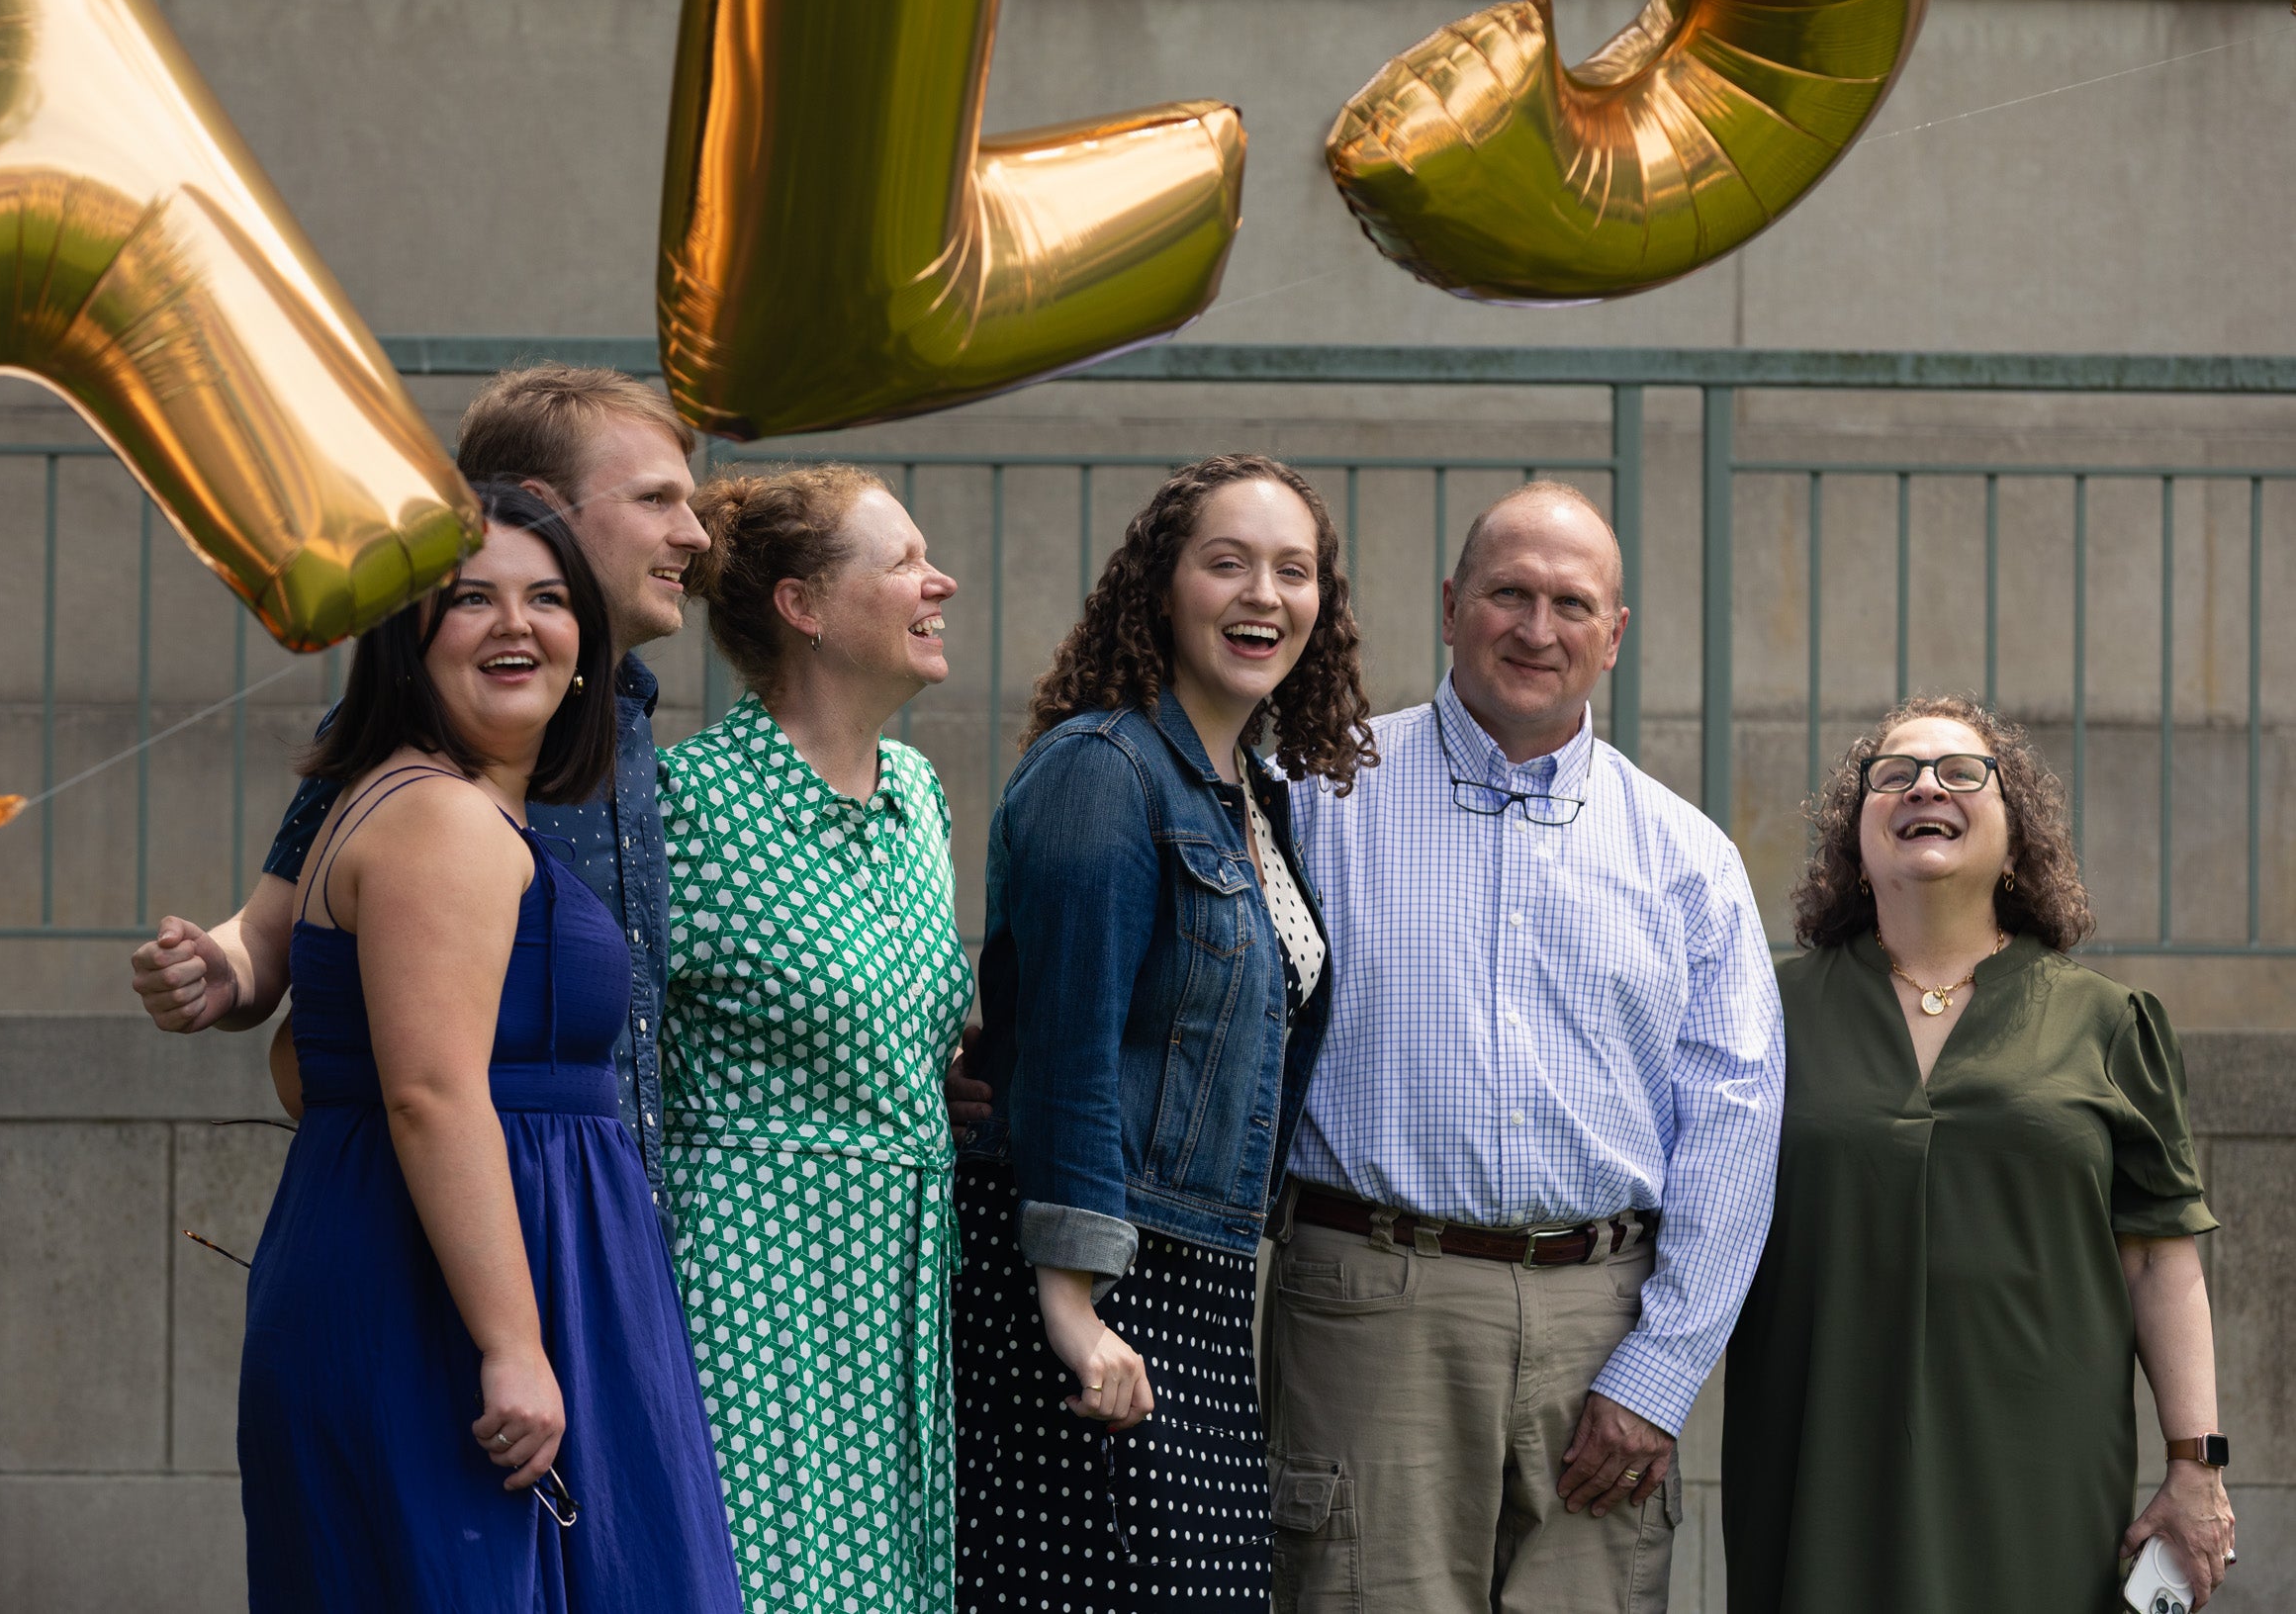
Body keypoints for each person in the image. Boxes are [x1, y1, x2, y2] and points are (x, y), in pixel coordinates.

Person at [1270, 481, 1785, 1613]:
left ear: (1615, 633)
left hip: (1602, 1324)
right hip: (1371, 1311)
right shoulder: (1316, 794)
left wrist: (1659, 1372)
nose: (1536, 628)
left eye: (1570, 601)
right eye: (1509, 592)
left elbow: (1735, 1130)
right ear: (1452, 604)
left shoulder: (1686, 858)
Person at [238, 481, 740, 1612]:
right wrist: (513, 1344)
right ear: (406, 644)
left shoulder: (455, 807)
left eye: (549, 598)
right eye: (472, 598)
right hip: (450, 1305)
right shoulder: (440, 816)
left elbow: (320, 1064)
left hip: (504, 1272)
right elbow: (427, 1091)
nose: (517, 623)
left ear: (584, 643)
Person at [127, 365, 703, 1214]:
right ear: (542, 505)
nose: (694, 533)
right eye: (656, 500)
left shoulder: (630, 717)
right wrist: (224, 971)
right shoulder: (411, 729)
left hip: (602, 1209)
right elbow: (271, 934)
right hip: (470, 1220)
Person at [952, 453, 1374, 1613]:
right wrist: (1072, 1300)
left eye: (1294, 571)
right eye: (1226, 562)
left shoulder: (1257, 798)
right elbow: (1073, 1046)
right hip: (1089, 1271)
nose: (1263, 595)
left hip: (1196, 1277)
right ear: (1160, 585)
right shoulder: (1103, 769)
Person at [1721, 696, 2235, 1613]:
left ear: (2015, 829)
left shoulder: (2107, 1023)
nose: (1926, 786)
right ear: (1856, 832)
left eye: (1962, 773)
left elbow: (2161, 1256)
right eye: (1895, 773)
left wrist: (2196, 1466)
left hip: (2040, 1475)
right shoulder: (1766, 1011)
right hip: (1823, 1464)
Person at [655, 465, 973, 1614]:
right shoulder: (686, 801)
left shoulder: (921, 795)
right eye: (900, 561)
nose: (939, 580)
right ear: (804, 605)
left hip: (896, 1277)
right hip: (752, 1281)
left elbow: (891, 1026)